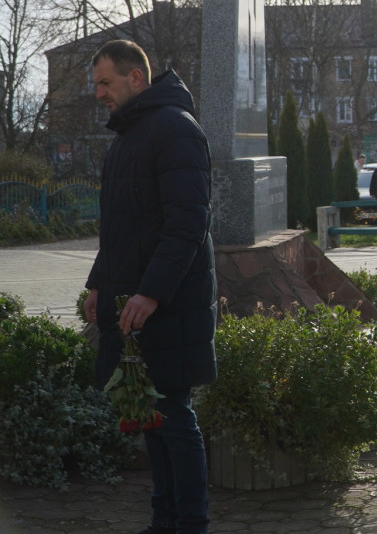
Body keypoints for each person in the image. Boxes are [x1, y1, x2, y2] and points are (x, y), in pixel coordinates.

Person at [82, 40, 216, 534]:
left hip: (167, 304)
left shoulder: (176, 131)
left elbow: (186, 225)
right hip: (132, 304)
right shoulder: (130, 137)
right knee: (151, 419)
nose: (99, 94)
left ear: (136, 78)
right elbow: (120, 227)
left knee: (173, 416)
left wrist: (151, 293)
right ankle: (165, 521)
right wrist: (99, 284)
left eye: (106, 83)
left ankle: (191, 524)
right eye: (96, 84)